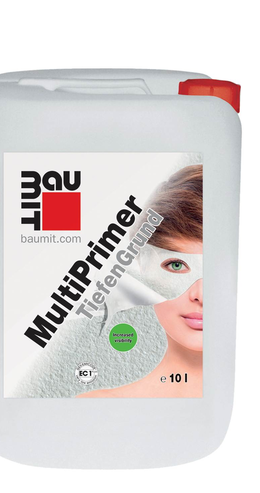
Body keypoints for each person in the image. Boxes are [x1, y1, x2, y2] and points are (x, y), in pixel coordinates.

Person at [79, 165, 203, 398]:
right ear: (143, 267)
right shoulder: (95, 407)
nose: (201, 295)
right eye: (177, 265)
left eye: (217, 269)